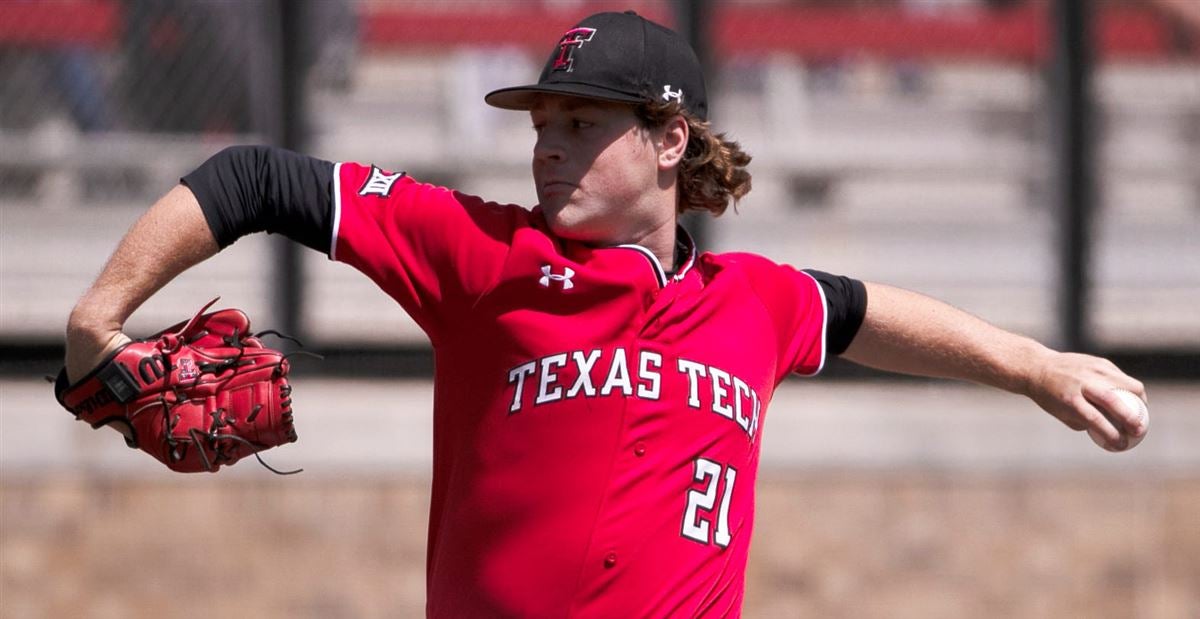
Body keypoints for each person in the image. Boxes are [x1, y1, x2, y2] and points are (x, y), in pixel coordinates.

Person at [63, 11, 1148, 618]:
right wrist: (100, 316)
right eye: (543, 121)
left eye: (583, 124)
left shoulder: (751, 303)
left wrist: (1034, 365)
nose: (548, 144)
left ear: (668, 141)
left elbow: (862, 313)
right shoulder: (485, 253)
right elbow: (255, 177)